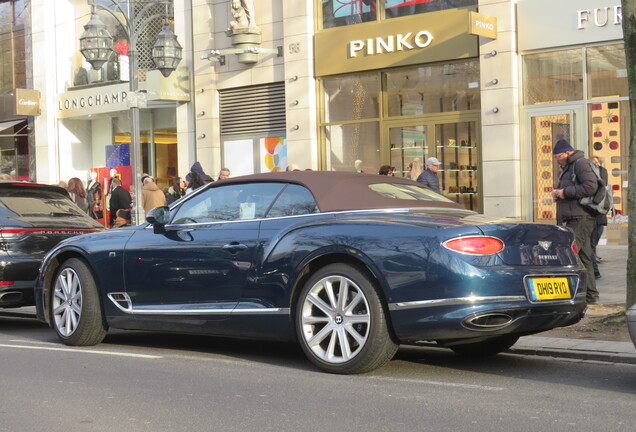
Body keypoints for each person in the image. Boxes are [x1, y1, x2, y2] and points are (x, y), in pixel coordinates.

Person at [550, 139, 599, 304]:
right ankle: (590, 296)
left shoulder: (580, 164)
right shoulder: (569, 166)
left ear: (568, 153)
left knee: (568, 255)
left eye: (559, 156)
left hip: (581, 218)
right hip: (575, 218)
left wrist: (564, 192)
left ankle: (571, 295)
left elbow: (590, 187)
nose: (557, 160)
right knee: (584, 258)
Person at [590, 156, 609, 279]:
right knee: (591, 246)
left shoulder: (601, 175)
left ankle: (594, 271)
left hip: (598, 218)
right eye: (592, 162)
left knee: (591, 246)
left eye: (596, 163)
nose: (594, 165)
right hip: (595, 218)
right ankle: (594, 270)